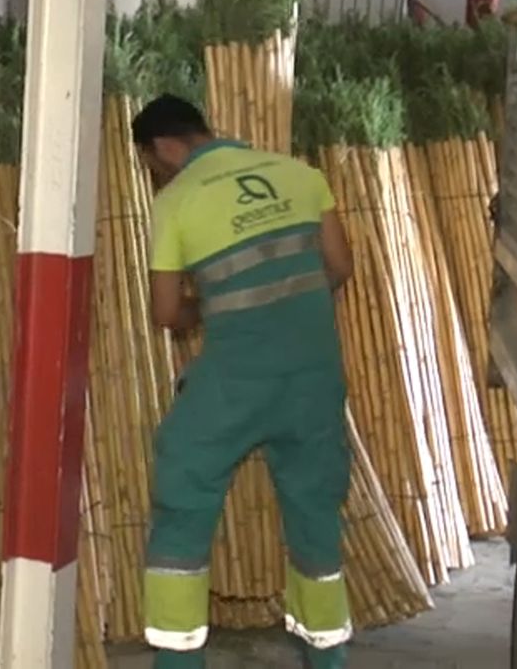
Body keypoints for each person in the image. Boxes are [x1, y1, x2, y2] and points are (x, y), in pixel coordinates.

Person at [133, 94, 355, 669]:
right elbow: (338, 267)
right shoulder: (299, 174)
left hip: (237, 378)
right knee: (314, 511)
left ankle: (179, 661)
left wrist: (207, 310)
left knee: (182, 489)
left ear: (163, 147)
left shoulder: (177, 201)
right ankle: (327, 657)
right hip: (314, 373)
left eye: (151, 166)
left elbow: (165, 313)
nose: (156, 176)